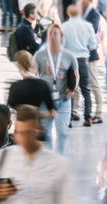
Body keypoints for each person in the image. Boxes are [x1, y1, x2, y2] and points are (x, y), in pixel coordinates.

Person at [31, 24, 77, 153]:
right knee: (46, 133)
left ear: (61, 37)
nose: (52, 36)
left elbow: (76, 75)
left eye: (55, 33)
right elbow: (33, 73)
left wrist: (72, 89)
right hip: (45, 102)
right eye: (50, 33)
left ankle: (59, 158)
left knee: (62, 132)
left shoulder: (69, 56)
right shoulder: (39, 55)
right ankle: (49, 158)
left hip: (63, 101)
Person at [61, 4, 98, 126]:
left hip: (69, 61)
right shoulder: (87, 26)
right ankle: (88, 118)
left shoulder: (64, 26)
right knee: (86, 89)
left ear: (68, 13)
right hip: (83, 60)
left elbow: (61, 45)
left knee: (69, 89)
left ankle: (69, 117)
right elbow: (93, 45)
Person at [6, 51, 56, 123]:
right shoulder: (43, 85)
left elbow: (10, 110)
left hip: (20, 125)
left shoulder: (15, 86)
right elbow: (52, 113)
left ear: (19, 65)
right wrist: (36, 114)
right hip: (35, 125)